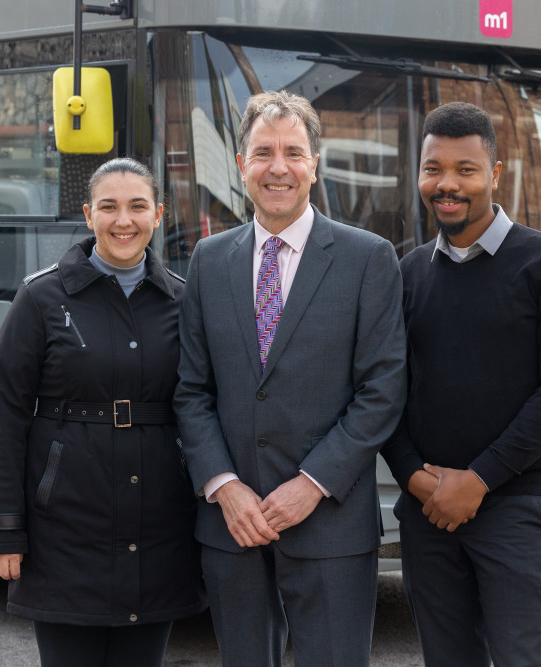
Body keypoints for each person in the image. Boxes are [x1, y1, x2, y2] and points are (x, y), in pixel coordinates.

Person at [173, 90, 406, 666]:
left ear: (314, 165)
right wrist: (223, 486)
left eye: (294, 153)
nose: (279, 167)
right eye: (263, 152)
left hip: (330, 524)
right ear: (241, 166)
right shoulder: (208, 259)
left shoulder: (368, 258)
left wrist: (312, 484)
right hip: (233, 525)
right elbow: (191, 390)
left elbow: (383, 389)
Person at [381, 102, 541, 666]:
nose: (447, 185)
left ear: (495, 174)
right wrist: (414, 478)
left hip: (514, 508)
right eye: (433, 169)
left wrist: (478, 480)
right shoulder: (407, 274)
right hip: (426, 513)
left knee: (527, 658)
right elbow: (385, 390)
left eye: (465, 169)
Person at [0, 157, 206, 667]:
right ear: (87, 215)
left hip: (157, 531)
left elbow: (200, 408)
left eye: (137, 206)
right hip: (65, 531)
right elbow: (5, 415)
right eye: (109, 207)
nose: (124, 221)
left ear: (159, 214)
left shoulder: (185, 302)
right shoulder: (41, 297)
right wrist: (2, 528)